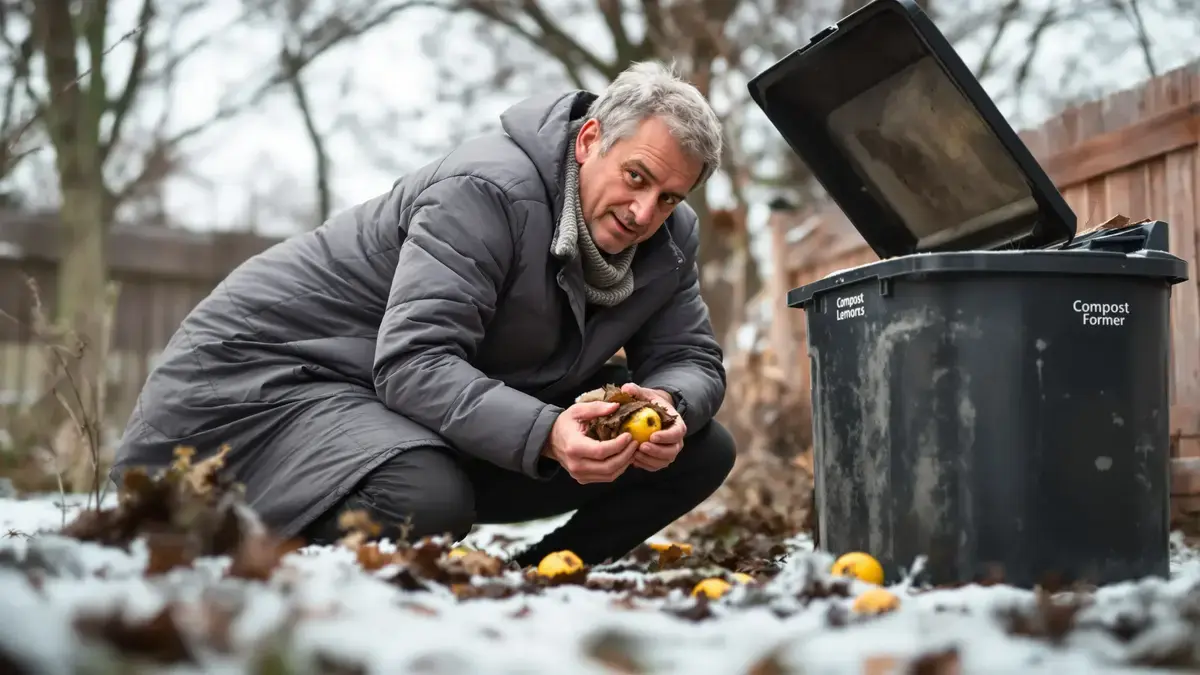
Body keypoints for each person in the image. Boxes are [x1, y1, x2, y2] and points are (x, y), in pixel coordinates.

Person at [112, 61, 736, 567]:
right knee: (424, 499)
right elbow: (414, 361)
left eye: (668, 197)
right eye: (635, 177)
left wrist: (666, 405)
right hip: (265, 388)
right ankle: (259, 561)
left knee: (700, 449)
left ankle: (544, 574)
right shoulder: (486, 193)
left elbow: (690, 356)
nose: (644, 213)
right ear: (590, 140)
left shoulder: (669, 240)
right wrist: (548, 431)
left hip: (396, 405)